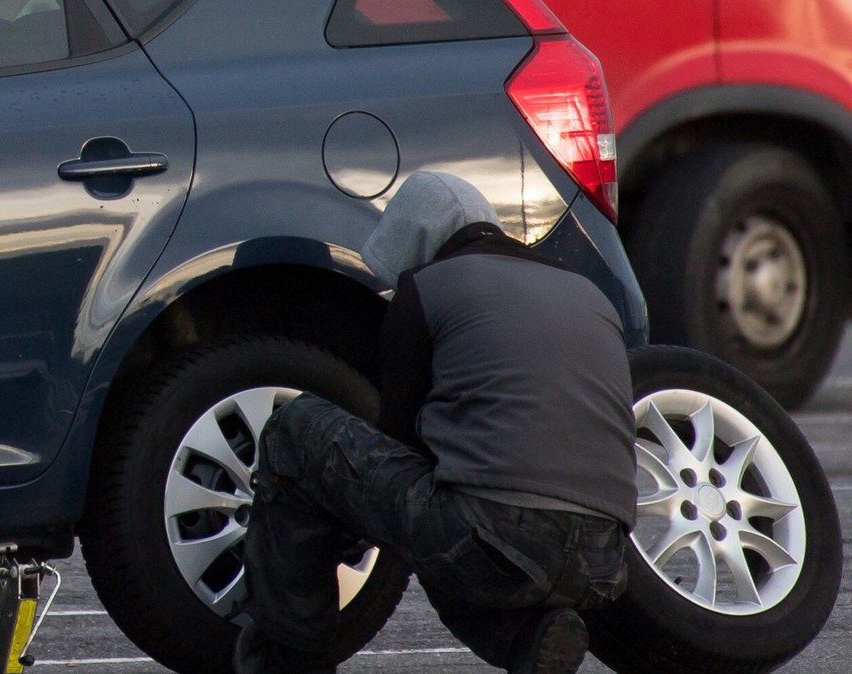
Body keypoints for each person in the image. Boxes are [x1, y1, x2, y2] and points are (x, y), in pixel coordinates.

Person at [235, 171, 637, 674]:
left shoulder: (428, 287)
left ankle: (286, 659)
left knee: (297, 427)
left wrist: (331, 524)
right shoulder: (585, 292)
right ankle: (532, 638)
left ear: (415, 243)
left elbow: (400, 445)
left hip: (491, 534)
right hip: (606, 559)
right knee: (453, 544)